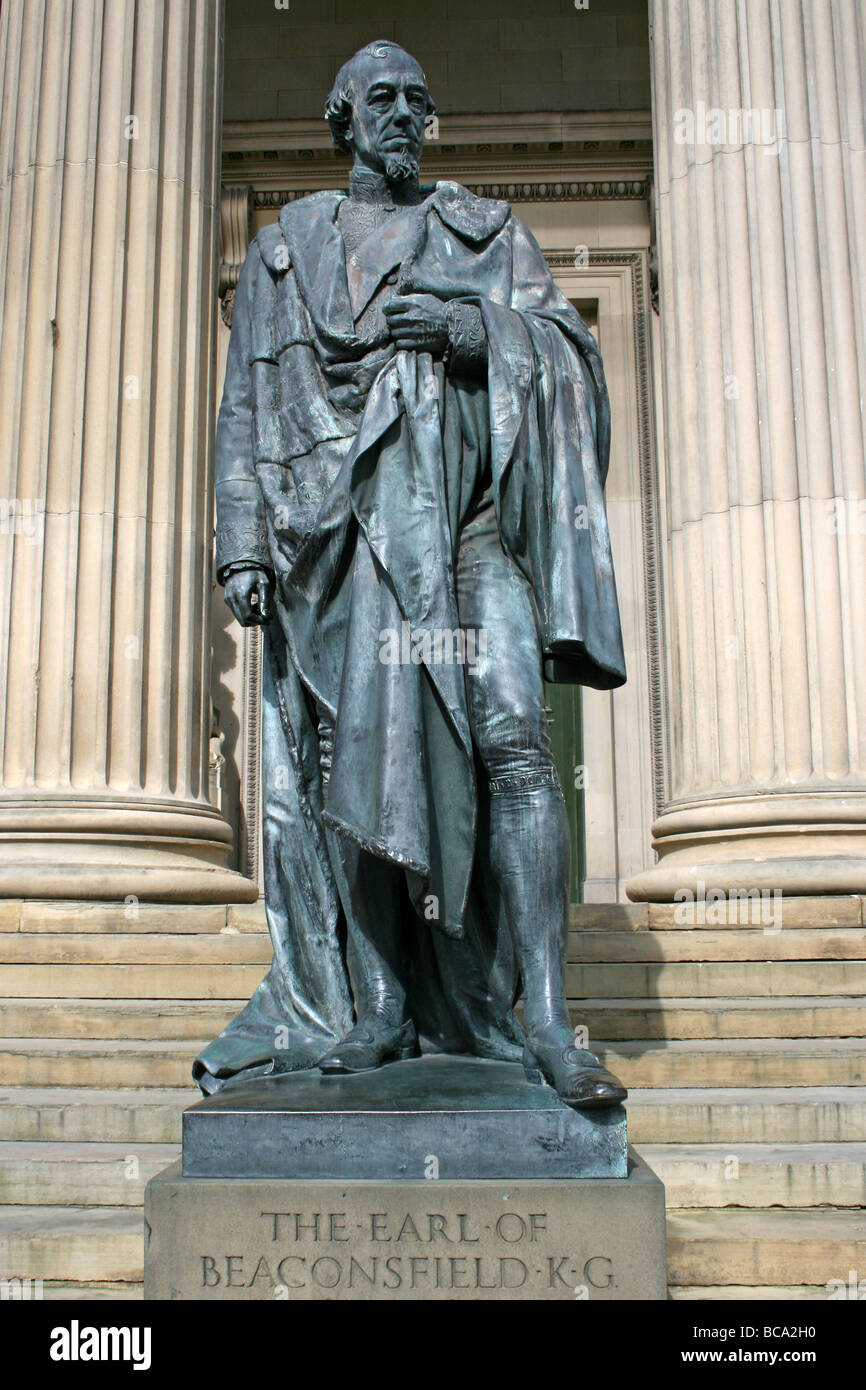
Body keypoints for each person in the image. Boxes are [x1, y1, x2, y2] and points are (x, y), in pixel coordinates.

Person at [195, 40, 628, 1109]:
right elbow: (244, 409)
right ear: (340, 119)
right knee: (354, 758)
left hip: (464, 531)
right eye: (378, 99)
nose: (401, 115)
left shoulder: (480, 235)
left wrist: (470, 327)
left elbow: (569, 358)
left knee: (516, 739)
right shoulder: (284, 249)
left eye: (415, 102)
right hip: (329, 541)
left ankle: (538, 1011)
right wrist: (242, 543)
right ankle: (378, 1004)